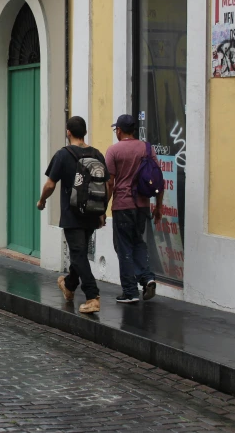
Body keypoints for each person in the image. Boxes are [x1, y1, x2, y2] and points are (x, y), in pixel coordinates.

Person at [37, 116, 106, 314]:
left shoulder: (63, 155)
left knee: (77, 254)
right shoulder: (97, 154)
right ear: (84, 132)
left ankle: (92, 297)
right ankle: (68, 285)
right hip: (92, 213)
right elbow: (107, 184)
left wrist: (42, 201)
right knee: (80, 254)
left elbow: (50, 184)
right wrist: (102, 211)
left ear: (68, 132)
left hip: (72, 214)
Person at [105, 114, 163, 304]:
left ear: (119, 131)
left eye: (116, 130)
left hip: (123, 205)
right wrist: (159, 207)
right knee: (138, 243)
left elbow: (110, 183)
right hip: (143, 206)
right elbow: (158, 179)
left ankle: (130, 292)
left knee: (123, 248)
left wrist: (102, 208)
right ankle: (147, 278)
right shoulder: (147, 149)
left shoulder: (113, 151)